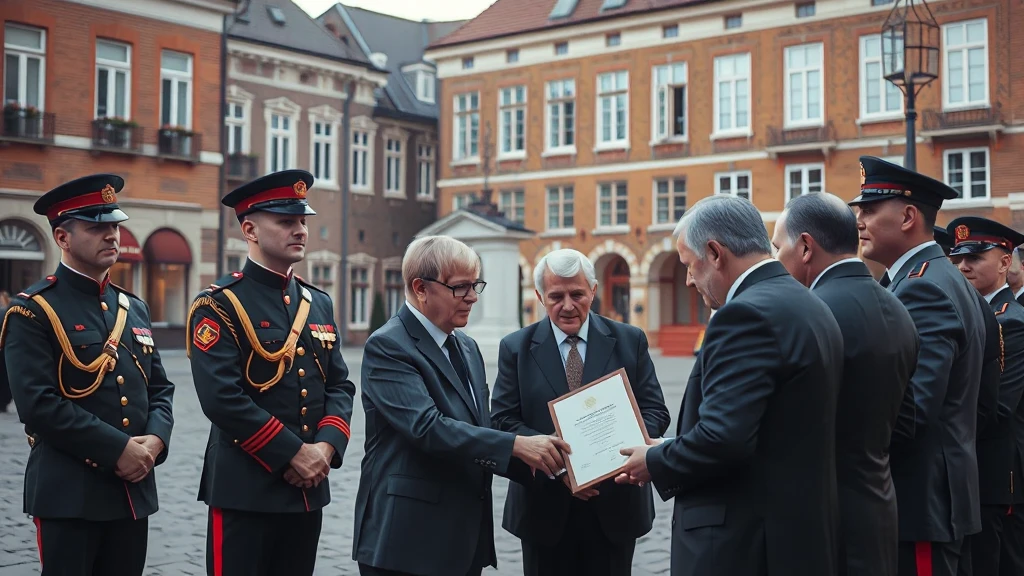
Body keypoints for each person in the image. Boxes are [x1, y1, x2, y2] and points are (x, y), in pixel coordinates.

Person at [615, 194, 844, 576]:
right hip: (797, 532)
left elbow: (725, 439)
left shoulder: (743, 314)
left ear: (715, 253)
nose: (688, 279)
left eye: (689, 265)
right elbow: (769, 424)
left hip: (742, 543)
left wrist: (653, 460)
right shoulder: (807, 302)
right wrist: (674, 445)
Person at [353, 235, 571, 576]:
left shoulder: (467, 347)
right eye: (460, 287)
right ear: (420, 288)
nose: (472, 297)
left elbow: (479, 430)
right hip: (407, 541)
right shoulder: (388, 346)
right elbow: (428, 428)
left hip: (463, 538)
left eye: (475, 285)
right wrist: (518, 445)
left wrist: (552, 464)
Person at [0, 173, 174, 576]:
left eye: (114, 225)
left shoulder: (133, 307)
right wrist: (120, 449)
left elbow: (161, 388)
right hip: (69, 492)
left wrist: (155, 441)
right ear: (62, 237)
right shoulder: (32, 311)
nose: (112, 235)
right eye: (98, 227)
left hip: (133, 490)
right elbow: (38, 405)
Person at [186, 169, 356, 576]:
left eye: (302, 221)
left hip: (308, 489)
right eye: (285, 221)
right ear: (250, 229)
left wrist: (325, 450)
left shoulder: (318, 303)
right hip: (246, 489)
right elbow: (221, 399)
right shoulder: (219, 305)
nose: (300, 230)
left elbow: (340, 385)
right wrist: (294, 453)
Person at [490, 248, 671, 576]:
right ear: (540, 296)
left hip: (615, 502)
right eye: (556, 296)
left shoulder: (630, 340)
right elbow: (503, 420)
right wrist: (562, 467)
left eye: (577, 294)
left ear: (594, 291)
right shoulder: (515, 347)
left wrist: (620, 447)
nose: (568, 305)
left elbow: (655, 410)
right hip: (543, 509)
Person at [851, 155, 987, 576]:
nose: (860, 220)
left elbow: (913, 410)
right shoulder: (928, 278)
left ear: (908, 216)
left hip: (920, 500)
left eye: (870, 210)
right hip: (936, 495)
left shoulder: (922, 287)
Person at [771, 192, 919, 576]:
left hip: (817, 522)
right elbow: (906, 423)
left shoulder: (806, 313)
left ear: (805, 247)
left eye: (776, 247)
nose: (775, 260)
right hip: (879, 511)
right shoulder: (898, 308)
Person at [946, 217, 1024, 576]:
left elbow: (999, 406)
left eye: (975, 257)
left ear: (1006, 262)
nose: (963, 266)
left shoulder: (1010, 320)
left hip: (996, 475)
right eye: (958, 257)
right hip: (975, 470)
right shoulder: (979, 314)